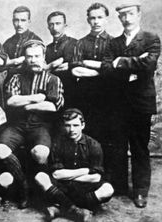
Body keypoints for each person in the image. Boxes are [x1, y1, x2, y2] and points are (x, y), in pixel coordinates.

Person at [100, 0, 161, 208]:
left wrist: (121, 62)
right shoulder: (113, 43)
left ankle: (140, 191)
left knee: (139, 147)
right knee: (117, 146)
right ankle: (119, 187)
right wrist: (133, 65)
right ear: (119, 18)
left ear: (138, 15)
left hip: (140, 103)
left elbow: (149, 64)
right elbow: (107, 70)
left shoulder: (151, 39)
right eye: (122, 15)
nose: (126, 19)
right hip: (117, 103)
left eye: (130, 14)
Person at [0, 40, 64, 208]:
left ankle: (43, 189)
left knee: (40, 153)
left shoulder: (53, 79)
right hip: (17, 125)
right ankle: (23, 185)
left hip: (41, 126)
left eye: (37, 56)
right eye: (29, 56)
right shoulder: (16, 77)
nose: (33, 60)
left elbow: (54, 106)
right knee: (0, 148)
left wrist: (27, 104)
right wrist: (38, 98)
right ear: (25, 58)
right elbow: (11, 101)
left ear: (43, 56)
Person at [35, 108, 114, 221]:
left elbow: (96, 177)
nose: (72, 129)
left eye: (76, 125)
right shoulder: (58, 143)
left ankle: (61, 208)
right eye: (68, 125)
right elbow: (57, 175)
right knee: (40, 177)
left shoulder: (94, 145)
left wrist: (69, 176)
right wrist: (86, 170)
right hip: (64, 188)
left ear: (83, 125)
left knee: (108, 189)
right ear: (63, 126)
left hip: (84, 188)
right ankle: (77, 211)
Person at [70, 3, 116, 179]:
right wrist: (103, 70)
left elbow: (115, 71)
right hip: (86, 97)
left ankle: (108, 177)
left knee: (108, 136)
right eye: (93, 18)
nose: (96, 21)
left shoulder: (114, 42)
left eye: (100, 17)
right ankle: (88, 174)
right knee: (89, 134)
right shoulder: (80, 43)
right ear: (88, 19)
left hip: (109, 96)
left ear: (106, 19)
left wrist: (89, 66)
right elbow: (75, 69)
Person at [3, 6, 42, 85]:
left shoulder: (36, 41)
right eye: (16, 20)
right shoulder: (8, 43)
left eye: (23, 20)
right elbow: (2, 66)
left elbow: (39, 67)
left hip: (29, 84)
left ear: (29, 21)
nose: (19, 24)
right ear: (13, 21)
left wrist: (10, 66)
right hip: (9, 83)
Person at [45, 11, 77, 108]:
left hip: (71, 89)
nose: (55, 28)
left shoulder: (74, 43)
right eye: (51, 24)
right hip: (51, 90)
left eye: (58, 24)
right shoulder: (47, 48)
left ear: (65, 25)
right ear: (48, 27)